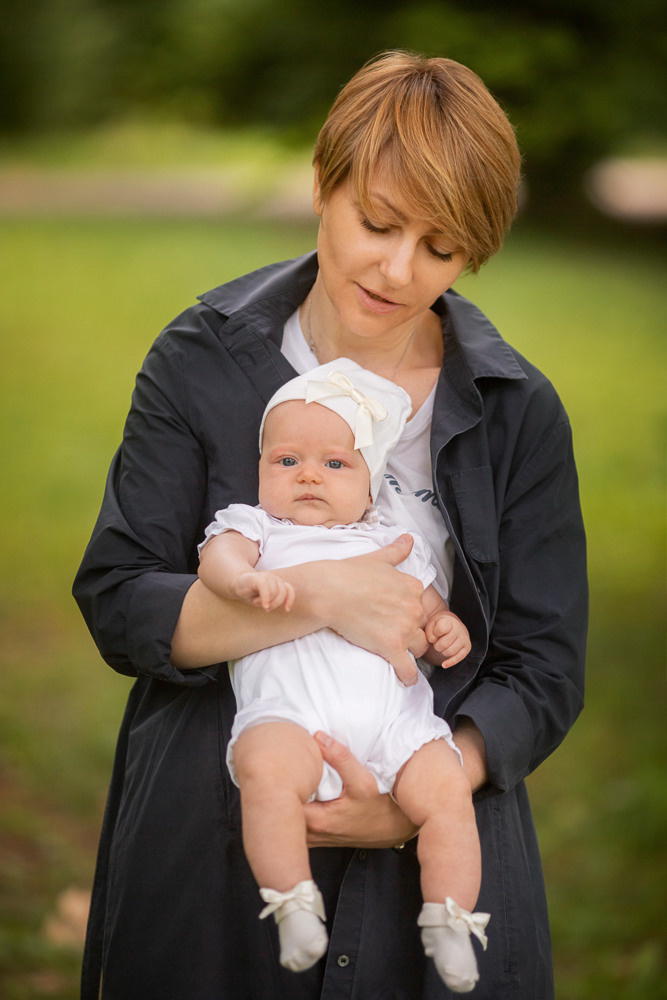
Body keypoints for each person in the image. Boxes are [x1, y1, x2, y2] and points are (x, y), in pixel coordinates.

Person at [73, 49, 587, 1000]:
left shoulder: (516, 409)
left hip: (439, 858)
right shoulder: (200, 359)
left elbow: (544, 669)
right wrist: (319, 598)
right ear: (324, 180)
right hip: (212, 863)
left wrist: (412, 801)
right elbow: (121, 599)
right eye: (377, 223)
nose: (396, 270)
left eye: (438, 248)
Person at [198, 359, 485, 992]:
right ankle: (292, 902)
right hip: (293, 716)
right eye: (286, 460)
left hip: (395, 724)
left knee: (446, 794)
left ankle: (451, 921)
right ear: (261, 467)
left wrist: (446, 630)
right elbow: (217, 558)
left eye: (335, 463)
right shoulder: (259, 530)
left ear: (370, 480)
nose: (308, 475)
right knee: (266, 774)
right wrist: (242, 581)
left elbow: (429, 615)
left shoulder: (392, 541)